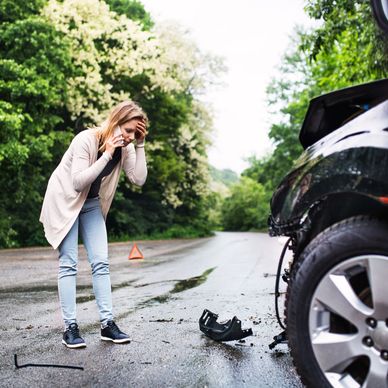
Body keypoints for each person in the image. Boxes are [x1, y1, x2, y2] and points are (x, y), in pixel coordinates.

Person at [40, 100, 148, 348]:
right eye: (128, 130)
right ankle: (70, 328)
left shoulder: (128, 148)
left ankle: (107, 325)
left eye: (136, 132)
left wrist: (140, 145)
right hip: (65, 201)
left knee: (101, 262)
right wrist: (108, 154)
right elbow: (78, 182)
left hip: (90, 204)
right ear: (115, 121)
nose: (130, 137)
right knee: (68, 263)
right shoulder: (86, 139)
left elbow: (138, 179)